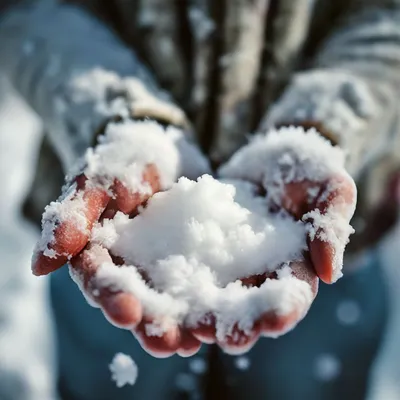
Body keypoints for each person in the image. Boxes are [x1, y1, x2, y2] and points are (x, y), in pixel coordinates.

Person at [0, 0, 399, 398]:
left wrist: (324, 124)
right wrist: (117, 119)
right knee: (113, 380)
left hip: (327, 218)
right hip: (104, 201)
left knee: (304, 383)